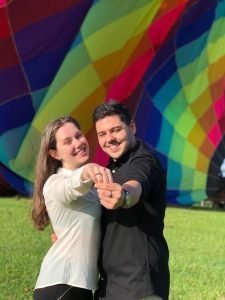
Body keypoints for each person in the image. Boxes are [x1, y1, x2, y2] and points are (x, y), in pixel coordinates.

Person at [92, 101, 170, 300]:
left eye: (116, 130)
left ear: (132, 127)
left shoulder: (146, 161)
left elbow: (136, 184)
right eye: (102, 134)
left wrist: (124, 196)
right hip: (108, 283)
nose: (109, 139)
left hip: (140, 283)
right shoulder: (110, 169)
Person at [32, 116, 112, 300]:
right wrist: (86, 171)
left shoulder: (92, 190)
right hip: (62, 284)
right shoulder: (55, 183)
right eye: (67, 141)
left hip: (80, 287)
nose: (78, 143)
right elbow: (70, 187)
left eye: (78, 135)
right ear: (55, 154)